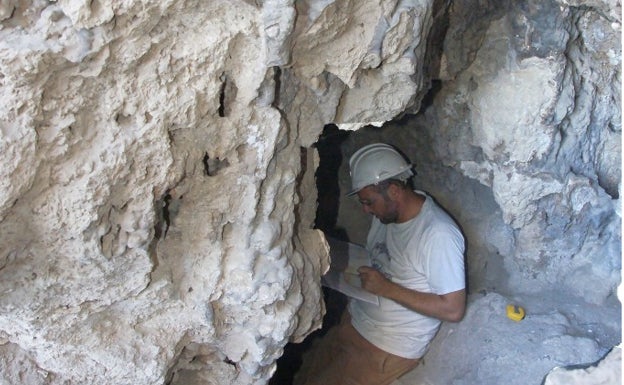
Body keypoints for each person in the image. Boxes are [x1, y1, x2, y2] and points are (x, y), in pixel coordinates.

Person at [294, 143, 466, 385]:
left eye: (369, 202)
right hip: (355, 322)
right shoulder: (387, 216)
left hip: (386, 346)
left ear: (394, 191)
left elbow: (453, 309)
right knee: (304, 377)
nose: (366, 210)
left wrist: (386, 288)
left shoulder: (438, 235)